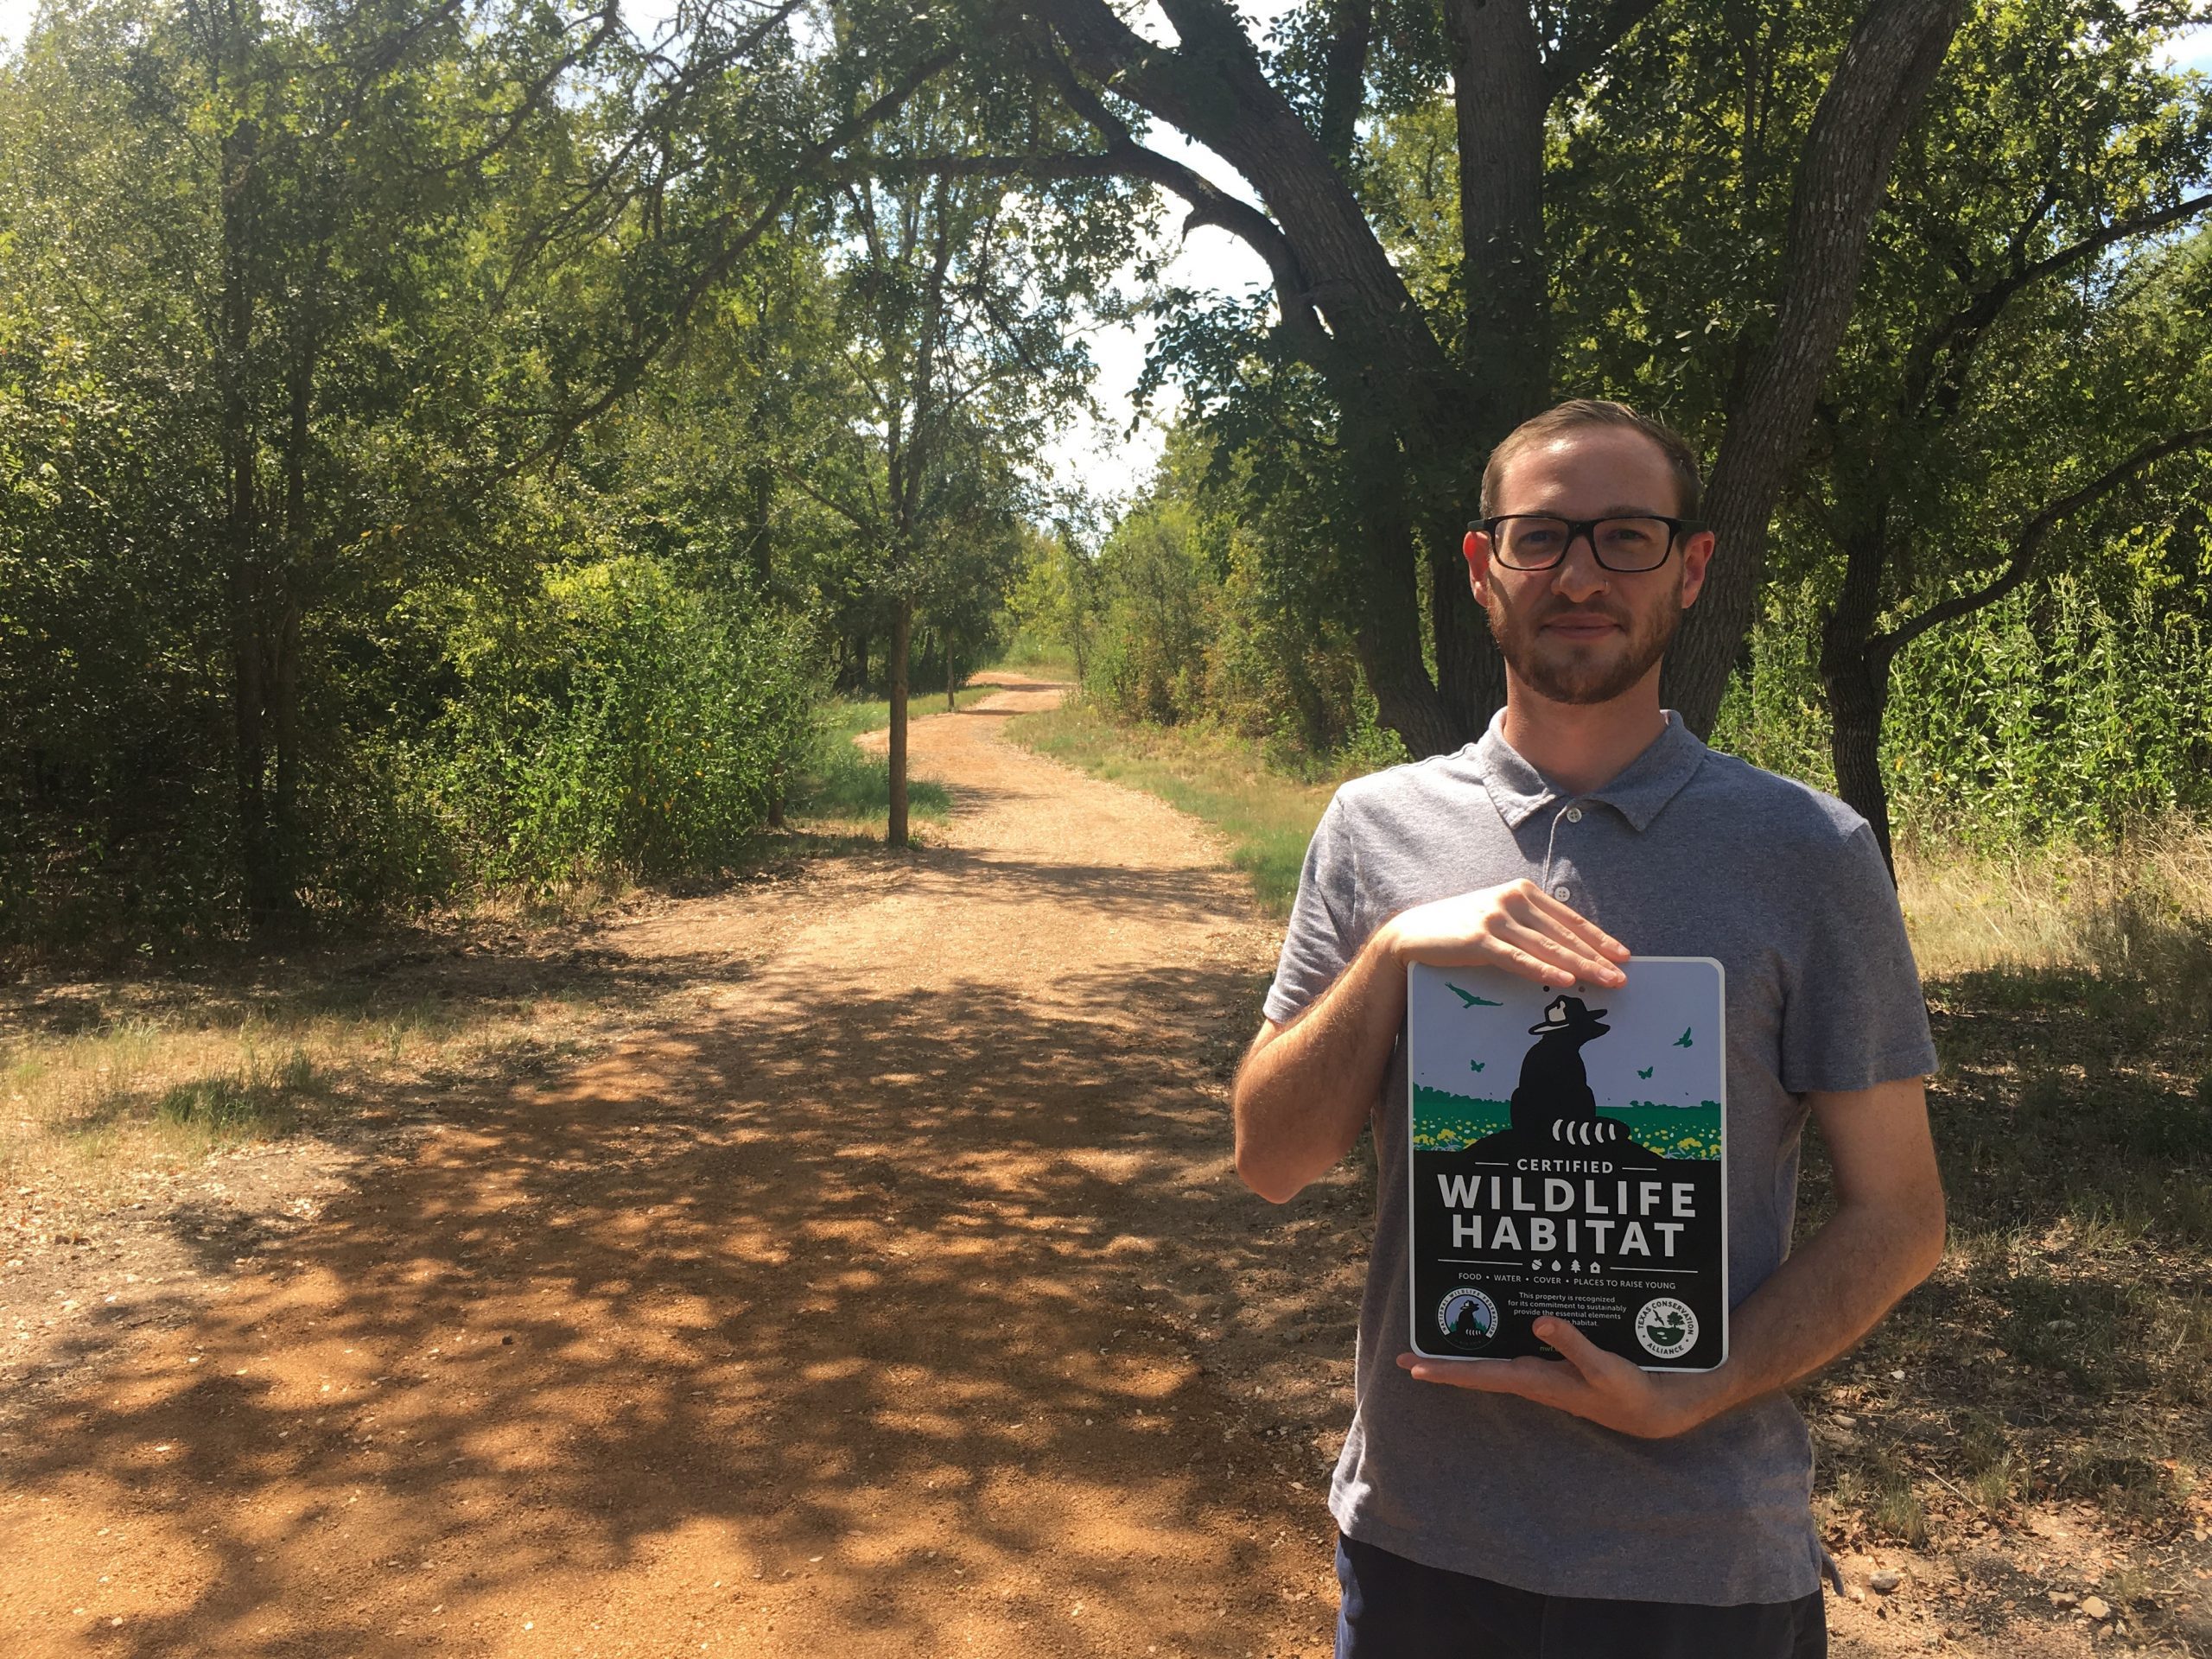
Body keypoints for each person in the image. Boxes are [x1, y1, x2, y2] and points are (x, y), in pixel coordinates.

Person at [1231, 399, 1946, 1658]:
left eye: (1625, 536)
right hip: (1421, 1546)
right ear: (1481, 567)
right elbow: (1272, 1159)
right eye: (1541, 536)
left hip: (1707, 1562)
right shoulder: (1372, 828)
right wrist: (1397, 952)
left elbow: (1900, 1214)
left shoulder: (1810, 852)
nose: (1579, 573)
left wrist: (1704, 1385)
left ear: (1692, 567)